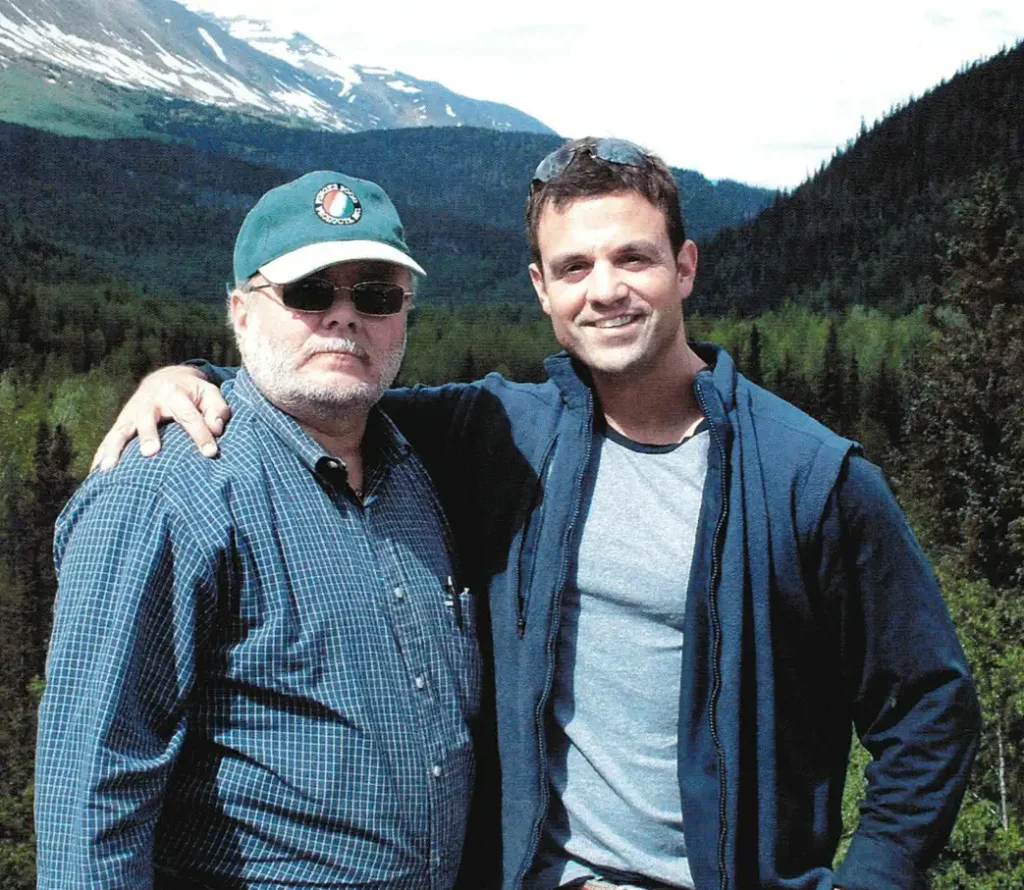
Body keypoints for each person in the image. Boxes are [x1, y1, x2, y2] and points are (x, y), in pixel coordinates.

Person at [94, 138, 981, 890]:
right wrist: (194, 381)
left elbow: (929, 708)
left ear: (685, 266)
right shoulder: (504, 432)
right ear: (540, 289)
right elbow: (330, 386)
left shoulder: (807, 477)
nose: (606, 290)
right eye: (574, 268)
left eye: (633, 257)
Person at [35, 171, 485, 889]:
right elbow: (92, 783)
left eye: (375, 295)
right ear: (241, 312)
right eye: (309, 293)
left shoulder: (419, 472)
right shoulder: (164, 492)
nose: (344, 318)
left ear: (405, 315)